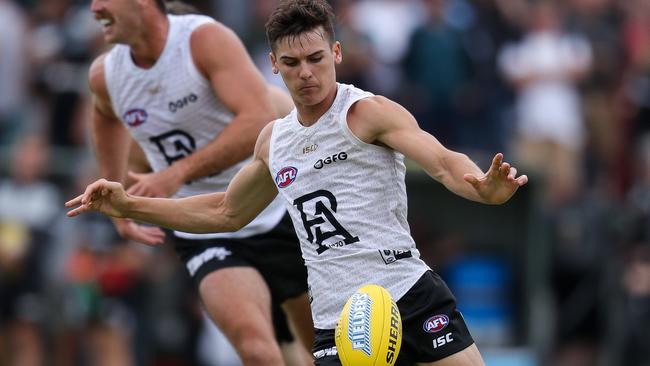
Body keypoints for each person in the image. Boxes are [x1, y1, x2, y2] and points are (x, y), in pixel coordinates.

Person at [68, 0, 528, 364]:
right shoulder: (274, 141)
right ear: (273, 64)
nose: (305, 73)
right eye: (291, 63)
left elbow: (444, 162)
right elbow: (224, 212)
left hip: (405, 290)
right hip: (337, 322)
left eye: (315, 58)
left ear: (337, 53)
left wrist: (481, 187)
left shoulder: (367, 113)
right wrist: (129, 206)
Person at [85, 0, 314, 364]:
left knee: (325, 346)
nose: (94, 7)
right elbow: (104, 115)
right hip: (205, 228)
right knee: (255, 349)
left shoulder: (203, 41)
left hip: (276, 209)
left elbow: (259, 118)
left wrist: (175, 173)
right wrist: (117, 203)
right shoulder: (105, 76)